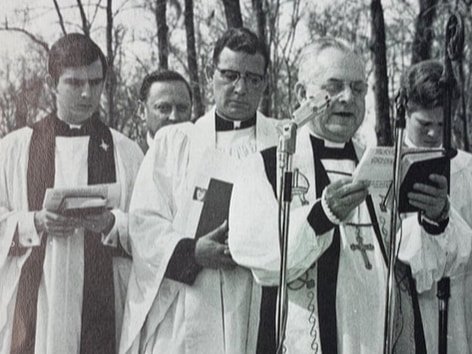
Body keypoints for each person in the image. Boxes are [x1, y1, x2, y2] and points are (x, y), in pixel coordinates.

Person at [227, 38, 470, 353]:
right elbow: (252, 248)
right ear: (302, 94)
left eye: (358, 89)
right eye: (335, 86)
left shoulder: (384, 165)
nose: (347, 98)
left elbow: (417, 267)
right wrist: (320, 216)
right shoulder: (268, 165)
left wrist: (436, 218)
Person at [120, 27, 280, 354]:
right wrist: (191, 251)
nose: (240, 88)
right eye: (230, 75)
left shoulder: (284, 143)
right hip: (188, 302)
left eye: (253, 79)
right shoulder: (175, 141)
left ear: (265, 82)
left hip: (258, 300)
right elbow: (144, 222)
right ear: (211, 75)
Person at [0, 33, 143, 353]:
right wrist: (33, 221)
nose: (86, 93)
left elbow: (149, 226)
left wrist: (112, 224)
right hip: (38, 295)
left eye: (96, 82)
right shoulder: (14, 148)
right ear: (53, 83)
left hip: (103, 300)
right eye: (74, 82)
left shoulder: (125, 151)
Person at [398, 59, 472, 353]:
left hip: (458, 310)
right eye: (424, 124)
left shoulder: (466, 169)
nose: (433, 134)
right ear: (406, 113)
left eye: (442, 124)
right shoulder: (385, 165)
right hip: (408, 306)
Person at [138, 69, 193, 150]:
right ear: (142, 111)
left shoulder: (202, 156)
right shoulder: (131, 158)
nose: (174, 117)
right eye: (163, 108)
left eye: (182, 108)